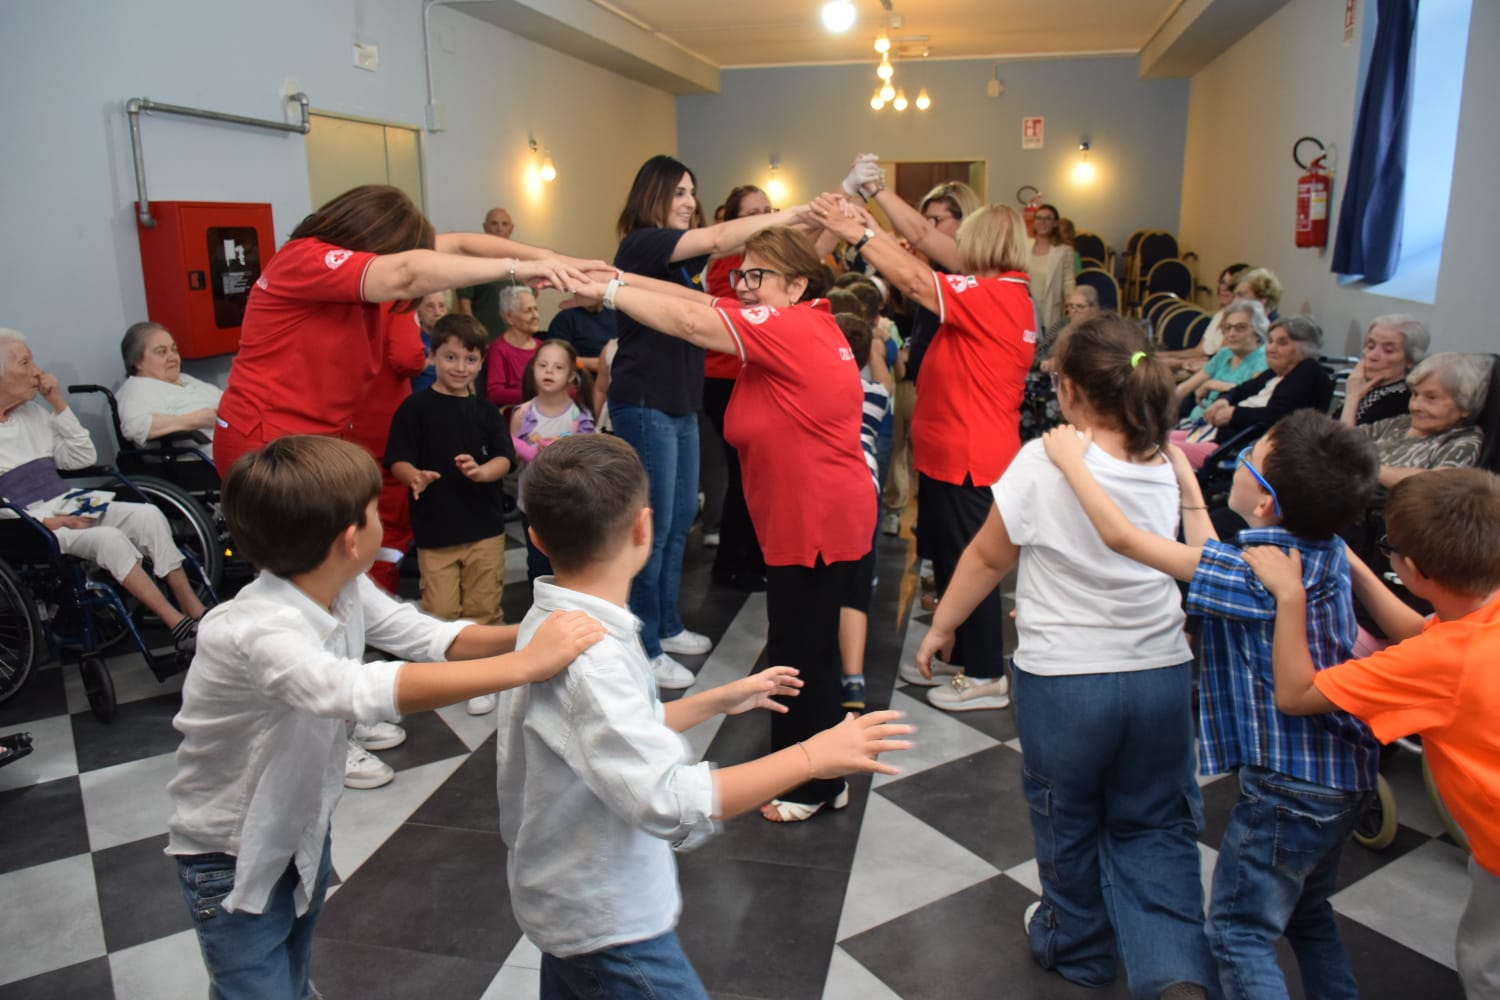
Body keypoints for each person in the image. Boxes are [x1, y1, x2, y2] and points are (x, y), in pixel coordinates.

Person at [166, 434, 603, 1000]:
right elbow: (357, 689)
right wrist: (528, 664)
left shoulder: (344, 588)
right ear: (351, 539)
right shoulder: (253, 630)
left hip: (299, 827)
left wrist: (531, 634)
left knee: (289, 978)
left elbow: (428, 637)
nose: (383, 517)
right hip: (229, 852)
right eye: (376, 510)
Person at [495, 433, 912, 997]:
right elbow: (667, 797)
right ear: (644, 529)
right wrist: (814, 755)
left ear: (537, 538)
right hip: (606, 919)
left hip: (569, 899)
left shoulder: (557, 626)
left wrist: (718, 700)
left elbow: (605, 736)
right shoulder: (591, 658)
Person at [914, 314, 1217, 997]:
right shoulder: (1164, 460)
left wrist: (945, 627)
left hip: (1066, 679)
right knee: (1156, 824)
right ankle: (1174, 967)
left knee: (1068, 813)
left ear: (1072, 392)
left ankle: (1077, 947)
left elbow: (990, 554)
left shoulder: (1046, 461)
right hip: (1161, 671)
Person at [1043, 408, 1383, 999]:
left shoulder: (1256, 575)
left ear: (1264, 503)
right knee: (1308, 914)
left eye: (1249, 462)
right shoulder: (1324, 547)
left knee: (1238, 932)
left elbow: (1125, 538)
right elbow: (1212, 556)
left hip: (1288, 789)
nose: (1241, 464)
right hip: (1346, 775)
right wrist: (1185, 473)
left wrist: (1072, 463)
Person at [573, 226, 877, 818]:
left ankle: (812, 784)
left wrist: (608, 294)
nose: (744, 288)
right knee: (802, 647)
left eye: (757, 276)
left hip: (813, 517)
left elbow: (691, 323)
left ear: (796, 282)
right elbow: (701, 304)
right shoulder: (800, 321)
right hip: (812, 512)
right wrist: (608, 277)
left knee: (801, 656)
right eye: (742, 275)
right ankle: (824, 774)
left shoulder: (790, 327)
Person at [1243, 467, 1500, 1000]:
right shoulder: (1478, 616)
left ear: (1413, 570)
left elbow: (1295, 694)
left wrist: (1289, 596)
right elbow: (1421, 629)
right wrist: (1354, 562)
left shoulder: (1441, 663)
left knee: (1485, 968)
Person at [818, 182, 1032, 712]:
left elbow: (914, 278)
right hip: (951, 451)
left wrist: (860, 232)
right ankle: (962, 656)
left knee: (971, 564)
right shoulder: (993, 289)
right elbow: (918, 250)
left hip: (971, 456)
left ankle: (986, 674)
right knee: (952, 561)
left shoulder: (999, 294)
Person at [213, 185, 595, 478]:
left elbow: (461, 243)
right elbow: (408, 272)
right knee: (301, 566)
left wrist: (552, 260)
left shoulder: (355, 267)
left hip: (316, 438)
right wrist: (515, 269)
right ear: (373, 239)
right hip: (264, 437)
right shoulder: (305, 258)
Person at [607, 155, 811, 684]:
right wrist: (791, 213)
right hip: (646, 401)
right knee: (651, 526)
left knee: (678, 523)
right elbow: (720, 238)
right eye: (677, 192)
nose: (688, 202)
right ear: (652, 196)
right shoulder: (642, 244)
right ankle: (644, 645)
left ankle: (666, 624)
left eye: (691, 192)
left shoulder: (678, 261)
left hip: (678, 403)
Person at [0, 329, 206, 654]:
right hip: (28, 526)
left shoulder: (32, 414)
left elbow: (82, 458)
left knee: (148, 514)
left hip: (65, 504)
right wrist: (51, 523)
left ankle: (194, 608)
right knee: (109, 539)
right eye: (25, 363)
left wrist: (57, 403)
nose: (36, 371)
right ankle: (176, 623)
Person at [385, 313, 515, 645]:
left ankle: (484, 678)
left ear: (481, 362)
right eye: (451, 357)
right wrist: (414, 476)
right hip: (436, 531)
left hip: (484, 529)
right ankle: (449, 674)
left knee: (484, 609)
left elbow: (505, 458)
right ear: (432, 356)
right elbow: (397, 458)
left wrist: (482, 472)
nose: (460, 367)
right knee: (440, 613)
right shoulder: (414, 408)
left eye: (470, 359)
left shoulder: (486, 411)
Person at [703, 183, 776, 590]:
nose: (763, 216)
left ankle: (746, 559)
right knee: (744, 473)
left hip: (747, 377)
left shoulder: (759, 258)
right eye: (752, 212)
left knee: (752, 473)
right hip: (724, 379)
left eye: (768, 209)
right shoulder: (726, 261)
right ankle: (732, 563)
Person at [1176, 314, 1333, 469]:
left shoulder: (1308, 371)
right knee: (1155, 439)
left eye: (1282, 343)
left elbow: (1279, 416)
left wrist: (1233, 414)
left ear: (1306, 348)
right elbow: (1241, 389)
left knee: (1157, 449)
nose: (1271, 348)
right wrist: (1224, 400)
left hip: (1233, 449)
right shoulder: (1275, 373)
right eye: (1270, 341)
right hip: (1216, 435)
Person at [832, 307, 892, 712]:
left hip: (822, 491)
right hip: (862, 490)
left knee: (820, 584)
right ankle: (853, 679)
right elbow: (885, 378)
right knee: (855, 589)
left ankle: (814, 665)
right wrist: (875, 347)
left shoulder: (814, 389)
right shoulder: (875, 395)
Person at [511, 339, 597, 588]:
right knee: (538, 566)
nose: (549, 371)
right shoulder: (522, 414)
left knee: (569, 565)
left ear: (571, 375)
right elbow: (514, 458)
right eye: (543, 365)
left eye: (558, 367)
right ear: (533, 369)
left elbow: (585, 460)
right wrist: (526, 450)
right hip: (533, 503)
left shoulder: (578, 417)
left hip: (570, 504)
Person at [1359, 351, 1488, 487]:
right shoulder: (1402, 423)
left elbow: (1435, 484)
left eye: (1431, 397)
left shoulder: (1465, 440)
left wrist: (1364, 466)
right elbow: (1346, 440)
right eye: (1415, 394)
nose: (1415, 406)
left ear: (1465, 407)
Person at [115, 321, 223, 457]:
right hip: (198, 461)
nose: (172, 357)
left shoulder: (185, 379)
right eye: (161, 352)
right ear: (137, 361)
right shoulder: (137, 387)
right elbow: (135, 427)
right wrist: (194, 420)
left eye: (174, 349)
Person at [1172, 300, 1269, 423]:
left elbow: (1254, 394)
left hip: (1223, 429)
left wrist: (1213, 384)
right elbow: (1186, 387)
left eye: (1241, 327)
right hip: (1194, 422)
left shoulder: (1264, 358)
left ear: (1258, 330)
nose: (1231, 334)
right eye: (1228, 328)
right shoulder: (1225, 353)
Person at [1338, 314, 1432, 427]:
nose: (1373, 356)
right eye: (1370, 346)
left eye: (1388, 351)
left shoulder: (1402, 402)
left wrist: (1352, 399)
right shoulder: (1362, 386)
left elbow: (1344, 443)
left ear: (1410, 359)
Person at [1161, 263, 1250, 372]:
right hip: (1198, 365)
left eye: (1230, 285)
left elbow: (1218, 360)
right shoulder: (1219, 315)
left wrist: (1176, 363)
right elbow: (1198, 351)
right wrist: (1164, 355)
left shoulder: (1239, 322)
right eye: (1222, 283)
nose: (1223, 288)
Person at [457, 206, 518, 341]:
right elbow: (464, 303)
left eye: (504, 224)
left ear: (511, 228)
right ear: (485, 227)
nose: (499, 228)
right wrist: (474, 335)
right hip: (486, 339)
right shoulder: (474, 259)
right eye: (494, 223)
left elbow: (530, 296)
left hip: (516, 339)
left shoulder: (520, 260)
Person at [483, 285, 545, 410]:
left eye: (536, 309)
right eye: (528, 311)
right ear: (509, 317)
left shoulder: (542, 347)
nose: (535, 315)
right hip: (517, 418)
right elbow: (495, 393)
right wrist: (537, 395)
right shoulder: (499, 350)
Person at [1027, 203, 1076, 333]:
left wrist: (1071, 307)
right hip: (1026, 308)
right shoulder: (1023, 246)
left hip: (1050, 309)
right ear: (1034, 222)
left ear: (1055, 223)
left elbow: (1069, 282)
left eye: (1047, 218)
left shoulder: (1064, 250)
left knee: (1047, 349)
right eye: (1039, 218)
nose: (1042, 222)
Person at [410, 292, 448, 393]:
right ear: (417, 312)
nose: (437, 312)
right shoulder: (412, 342)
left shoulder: (453, 340)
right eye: (430, 307)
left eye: (442, 306)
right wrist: (428, 362)